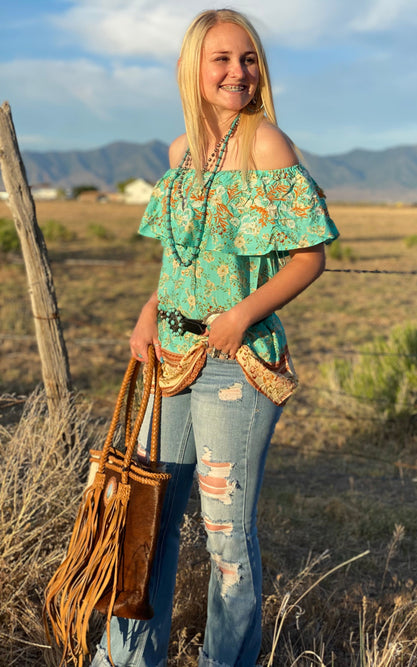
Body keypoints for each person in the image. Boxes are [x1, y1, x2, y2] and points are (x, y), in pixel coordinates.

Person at [91, 8, 339, 667]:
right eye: (223, 60)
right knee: (147, 519)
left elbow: (308, 257)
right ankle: (125, 659)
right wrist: (150, 307)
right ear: (193, 69)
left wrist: (240, 316)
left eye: (250, 58)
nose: (239, 72)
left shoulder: (268, 145)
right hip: (170, 359)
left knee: (226, 537)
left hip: (237, 366)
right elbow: (183, 262)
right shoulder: (179, 154)